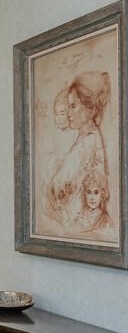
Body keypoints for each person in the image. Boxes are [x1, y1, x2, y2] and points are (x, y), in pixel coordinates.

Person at [44, 70, 110, 231]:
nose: (68, 114)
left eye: (73, 106)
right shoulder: (88, 137)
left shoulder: (87, 142)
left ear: (91, 109)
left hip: (81, 225)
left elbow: (57, 188)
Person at [71, 168, 116, 240]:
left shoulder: (106, 220)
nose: (92, 198)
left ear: (102, 194)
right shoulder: (78, 219)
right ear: (84, 194)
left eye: (96, 193)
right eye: (89, 192)